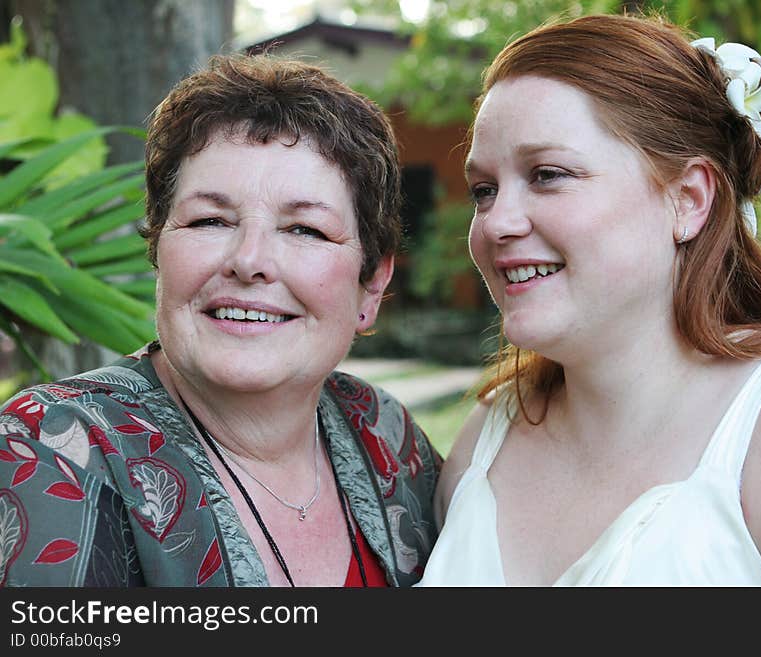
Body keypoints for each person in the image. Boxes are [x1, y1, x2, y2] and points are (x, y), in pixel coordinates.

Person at [417, 13, 761, 586]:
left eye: (548, 174)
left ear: (688, 200)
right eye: (483, 191)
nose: (496, 224)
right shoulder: (484, 438)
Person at [0, 54, 440, 587]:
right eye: (210, 219)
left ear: (372, 284)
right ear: (159, 250)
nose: (249, 260)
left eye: (304, 229)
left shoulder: (386, 435)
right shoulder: (52, 447)